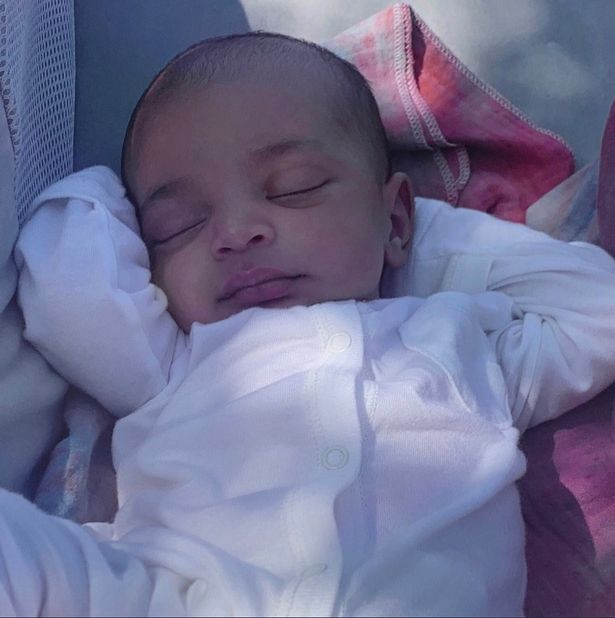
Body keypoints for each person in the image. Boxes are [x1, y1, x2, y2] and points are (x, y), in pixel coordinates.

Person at [8, 32, 615, 616]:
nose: (234, 232)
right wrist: (104, 186)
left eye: (295, 189)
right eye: (177, 225)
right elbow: (65, 278)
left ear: (397, 219)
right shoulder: (170, 362)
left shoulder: (459, 340)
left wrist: (410, 237)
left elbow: (598, 309)